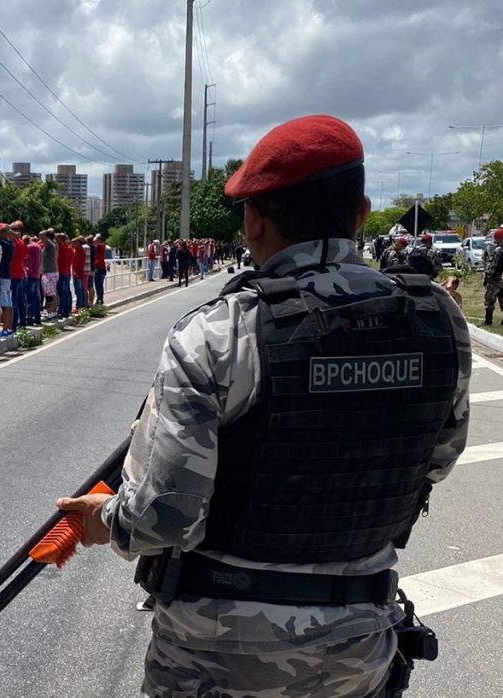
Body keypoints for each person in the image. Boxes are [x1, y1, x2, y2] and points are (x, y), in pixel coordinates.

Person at [56, 114, 471, 697]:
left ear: (253, 219)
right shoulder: (437, 320)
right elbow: (439, 460)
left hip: (217, 654)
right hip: (359, 646)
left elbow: (165, 518)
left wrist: (101, 522)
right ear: (361, 212)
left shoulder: (219, 333)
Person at [482, 228, 503, 325]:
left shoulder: (498, 251)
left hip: (495, 279)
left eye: (497, 239)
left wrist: (487, 276)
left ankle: (488, 321)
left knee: (489, 300)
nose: (495, 241)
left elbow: (492, 266)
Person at [39, 229, 58, 319]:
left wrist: (47, 231)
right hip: (52, 271)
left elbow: (41, 234)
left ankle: (50, 313)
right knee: (52, 293)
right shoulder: (54, 244)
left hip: (49, 272)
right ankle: (53, 312)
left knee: (48, 294)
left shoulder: (50, 244)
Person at [24, 233, 43, 325]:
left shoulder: (29, 247)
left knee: (29, 298)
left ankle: (30, 317)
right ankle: (37, 317)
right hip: (36, 274)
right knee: (36, 298)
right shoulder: (38, 247)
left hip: (29, 274)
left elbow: (24, 258)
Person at [92, 234, 107, 304]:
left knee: (99, 285)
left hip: (99, 269)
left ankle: (100, 300)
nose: (95, 241)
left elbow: (94, 241)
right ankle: (99, 299)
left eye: (97, 240)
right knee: (98, 285)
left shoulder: (101, 246)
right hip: (100, 268)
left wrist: (96, 236)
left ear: (99, 240)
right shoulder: (101, 246)